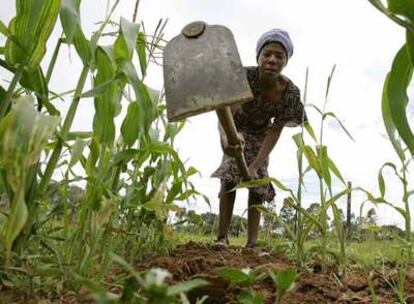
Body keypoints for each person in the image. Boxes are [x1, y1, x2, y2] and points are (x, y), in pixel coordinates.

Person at [211, 28, 307, 248]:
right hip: (237, 128)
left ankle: (252, 244)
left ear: (285, 62)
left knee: (258, 183)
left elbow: (275, 130)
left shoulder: (289, 92)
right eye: (267, 54)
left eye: (279, 56)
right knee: (229, 175)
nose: (272, 60)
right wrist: (228, 140)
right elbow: (226, 113)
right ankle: (222, 238)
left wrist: (255, 164)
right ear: (258, 58)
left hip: (262, 134)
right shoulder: (244, 77)